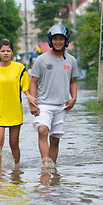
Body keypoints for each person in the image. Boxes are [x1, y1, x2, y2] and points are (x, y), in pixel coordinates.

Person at [29, 24, 78, 166]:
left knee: (55, 139)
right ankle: (46, 165)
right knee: (43, 130)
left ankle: (53, 168)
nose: (58, 41)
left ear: (66, 40)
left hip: (62, 106)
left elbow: (73, 81)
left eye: (61, 39)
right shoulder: (41, 60)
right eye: (55, 39)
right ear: (50, 41)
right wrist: (32, 103)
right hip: (43, 104)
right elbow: (33, 82)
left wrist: (73, 98)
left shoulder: (71, 61)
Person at [0, 39, 38, 166]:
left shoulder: (19, 68)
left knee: (14, 144)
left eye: (8, 51)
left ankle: (16, 170)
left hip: (14, 111)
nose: (5, 53)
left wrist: (29, 97)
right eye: (2, 51)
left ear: (12, 52)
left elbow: (25, 86)